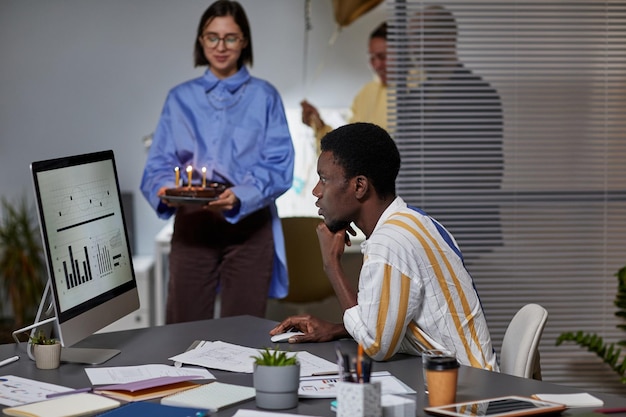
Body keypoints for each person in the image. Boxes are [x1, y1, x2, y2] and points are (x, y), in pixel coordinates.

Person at [270, 122, 498, 371]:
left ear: (359, 186)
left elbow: (375, 346)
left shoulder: (390, 241)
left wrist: (331, 265)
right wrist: (338, 329)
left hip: (464, 394)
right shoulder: (415, 221)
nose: (315, 191)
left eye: (324, 179)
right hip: (469, 377)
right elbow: (387, 327)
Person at [140, 0, 294, 323]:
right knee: (183, 330)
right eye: (212, 37)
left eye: (230, 38)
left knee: (244, 332)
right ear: (200, 40)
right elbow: (157, 166)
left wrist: (241, 196)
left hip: (249, 226)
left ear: (245, 41)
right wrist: (165, 188)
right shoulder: (179, 98)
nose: (220, 46)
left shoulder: (265, 97)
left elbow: (280, 165)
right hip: (193, 224)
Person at [402, 4, 504, 259]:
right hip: (420, 229)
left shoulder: (479, 94)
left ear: (446, 38)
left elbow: (488, 169)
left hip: (463, 230)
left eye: (420, 37)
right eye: (411, 39)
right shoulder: (414, 98)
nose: (413, 47)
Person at [300, 22, 390, 149]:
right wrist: (319, 126)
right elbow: (351, 150)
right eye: (372, 58)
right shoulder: (366, 93)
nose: (376, 65)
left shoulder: (421, 90)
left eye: (382, 56)